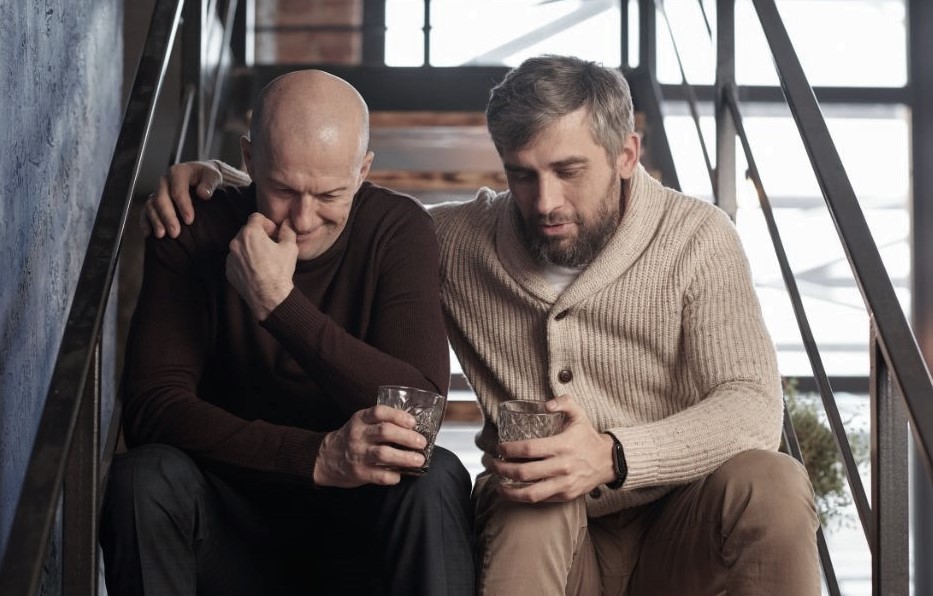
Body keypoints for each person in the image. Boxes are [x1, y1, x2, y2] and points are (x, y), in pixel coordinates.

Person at [143, 56, 820, 595]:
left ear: (626, 153)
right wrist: (218, 182)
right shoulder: (458, 239)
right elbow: (327, 206)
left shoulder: (697, 238)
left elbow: (750, 406)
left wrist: (613, 455)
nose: (545, 202)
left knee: (774, 482)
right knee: (531, 492)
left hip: (682, 527)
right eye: (522, 176)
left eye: (568, 171)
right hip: (543, 524)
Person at [101, 69, 475, 596]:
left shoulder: (397, 228)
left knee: (435, 477)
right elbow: (152, 409)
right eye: (281, 189)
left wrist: (279, 304)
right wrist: (316, 457)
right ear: (249, 161)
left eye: (329, 194)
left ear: (364, 170)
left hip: (360, 538)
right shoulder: (193, 224)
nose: (303, 218)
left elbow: (420, 413)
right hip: (229, 531)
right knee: (143, 478)